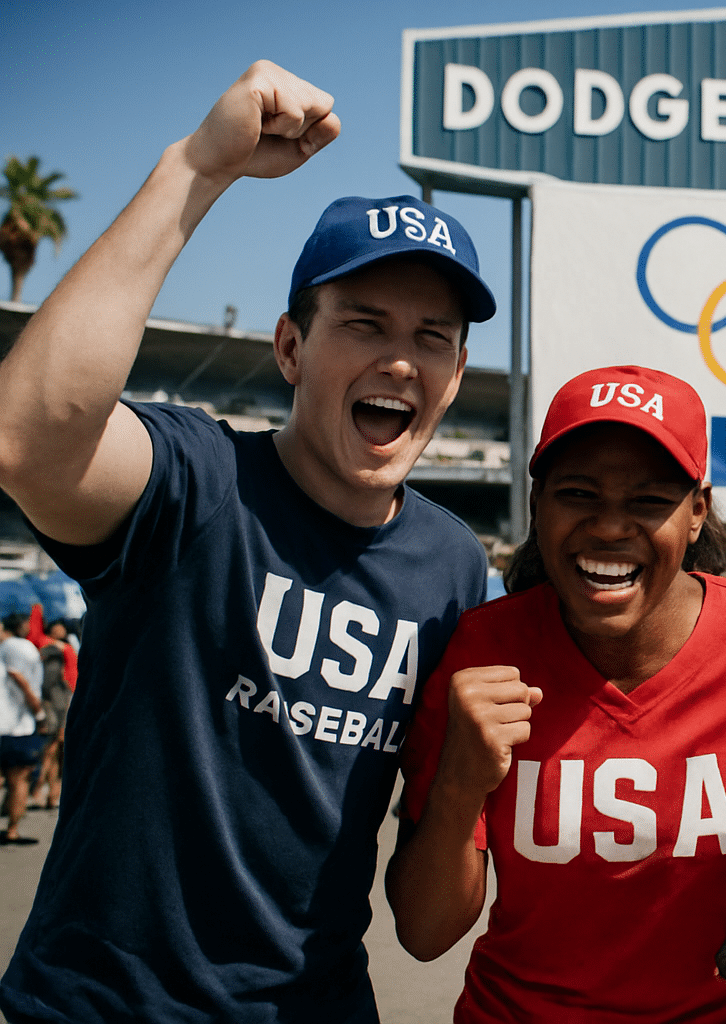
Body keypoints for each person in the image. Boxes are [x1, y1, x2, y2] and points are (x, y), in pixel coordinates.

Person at [0, 61, 495, 1023]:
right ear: (289, 349)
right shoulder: (194, 481)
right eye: (363, 323)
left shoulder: (454, 566)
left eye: (434, 336)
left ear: (458, 368)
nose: (401, 358)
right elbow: (26, 435)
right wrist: (196, 166)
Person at [386, 365, 726, 1023]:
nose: (610, 528)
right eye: (578, 493)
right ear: (538, 504)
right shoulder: (481, 653)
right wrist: (461, 786)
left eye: (647, 501)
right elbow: (425, 932)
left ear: (697, 512)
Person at [0, 613, 46, 845]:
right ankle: (13, 830)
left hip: (11, 724)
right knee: (19, 778)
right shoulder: (19, 646)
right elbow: (18, 676)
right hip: (15, 725)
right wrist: (38, 710)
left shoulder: (9, 647)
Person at [29, 620, 76, 811]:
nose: (59, 629)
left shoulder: (67, 645)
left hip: (68, 697)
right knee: (51, 749)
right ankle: (39, 789)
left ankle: (53, 793)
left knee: (58, 751)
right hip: (57, 701)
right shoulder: (47, 645)